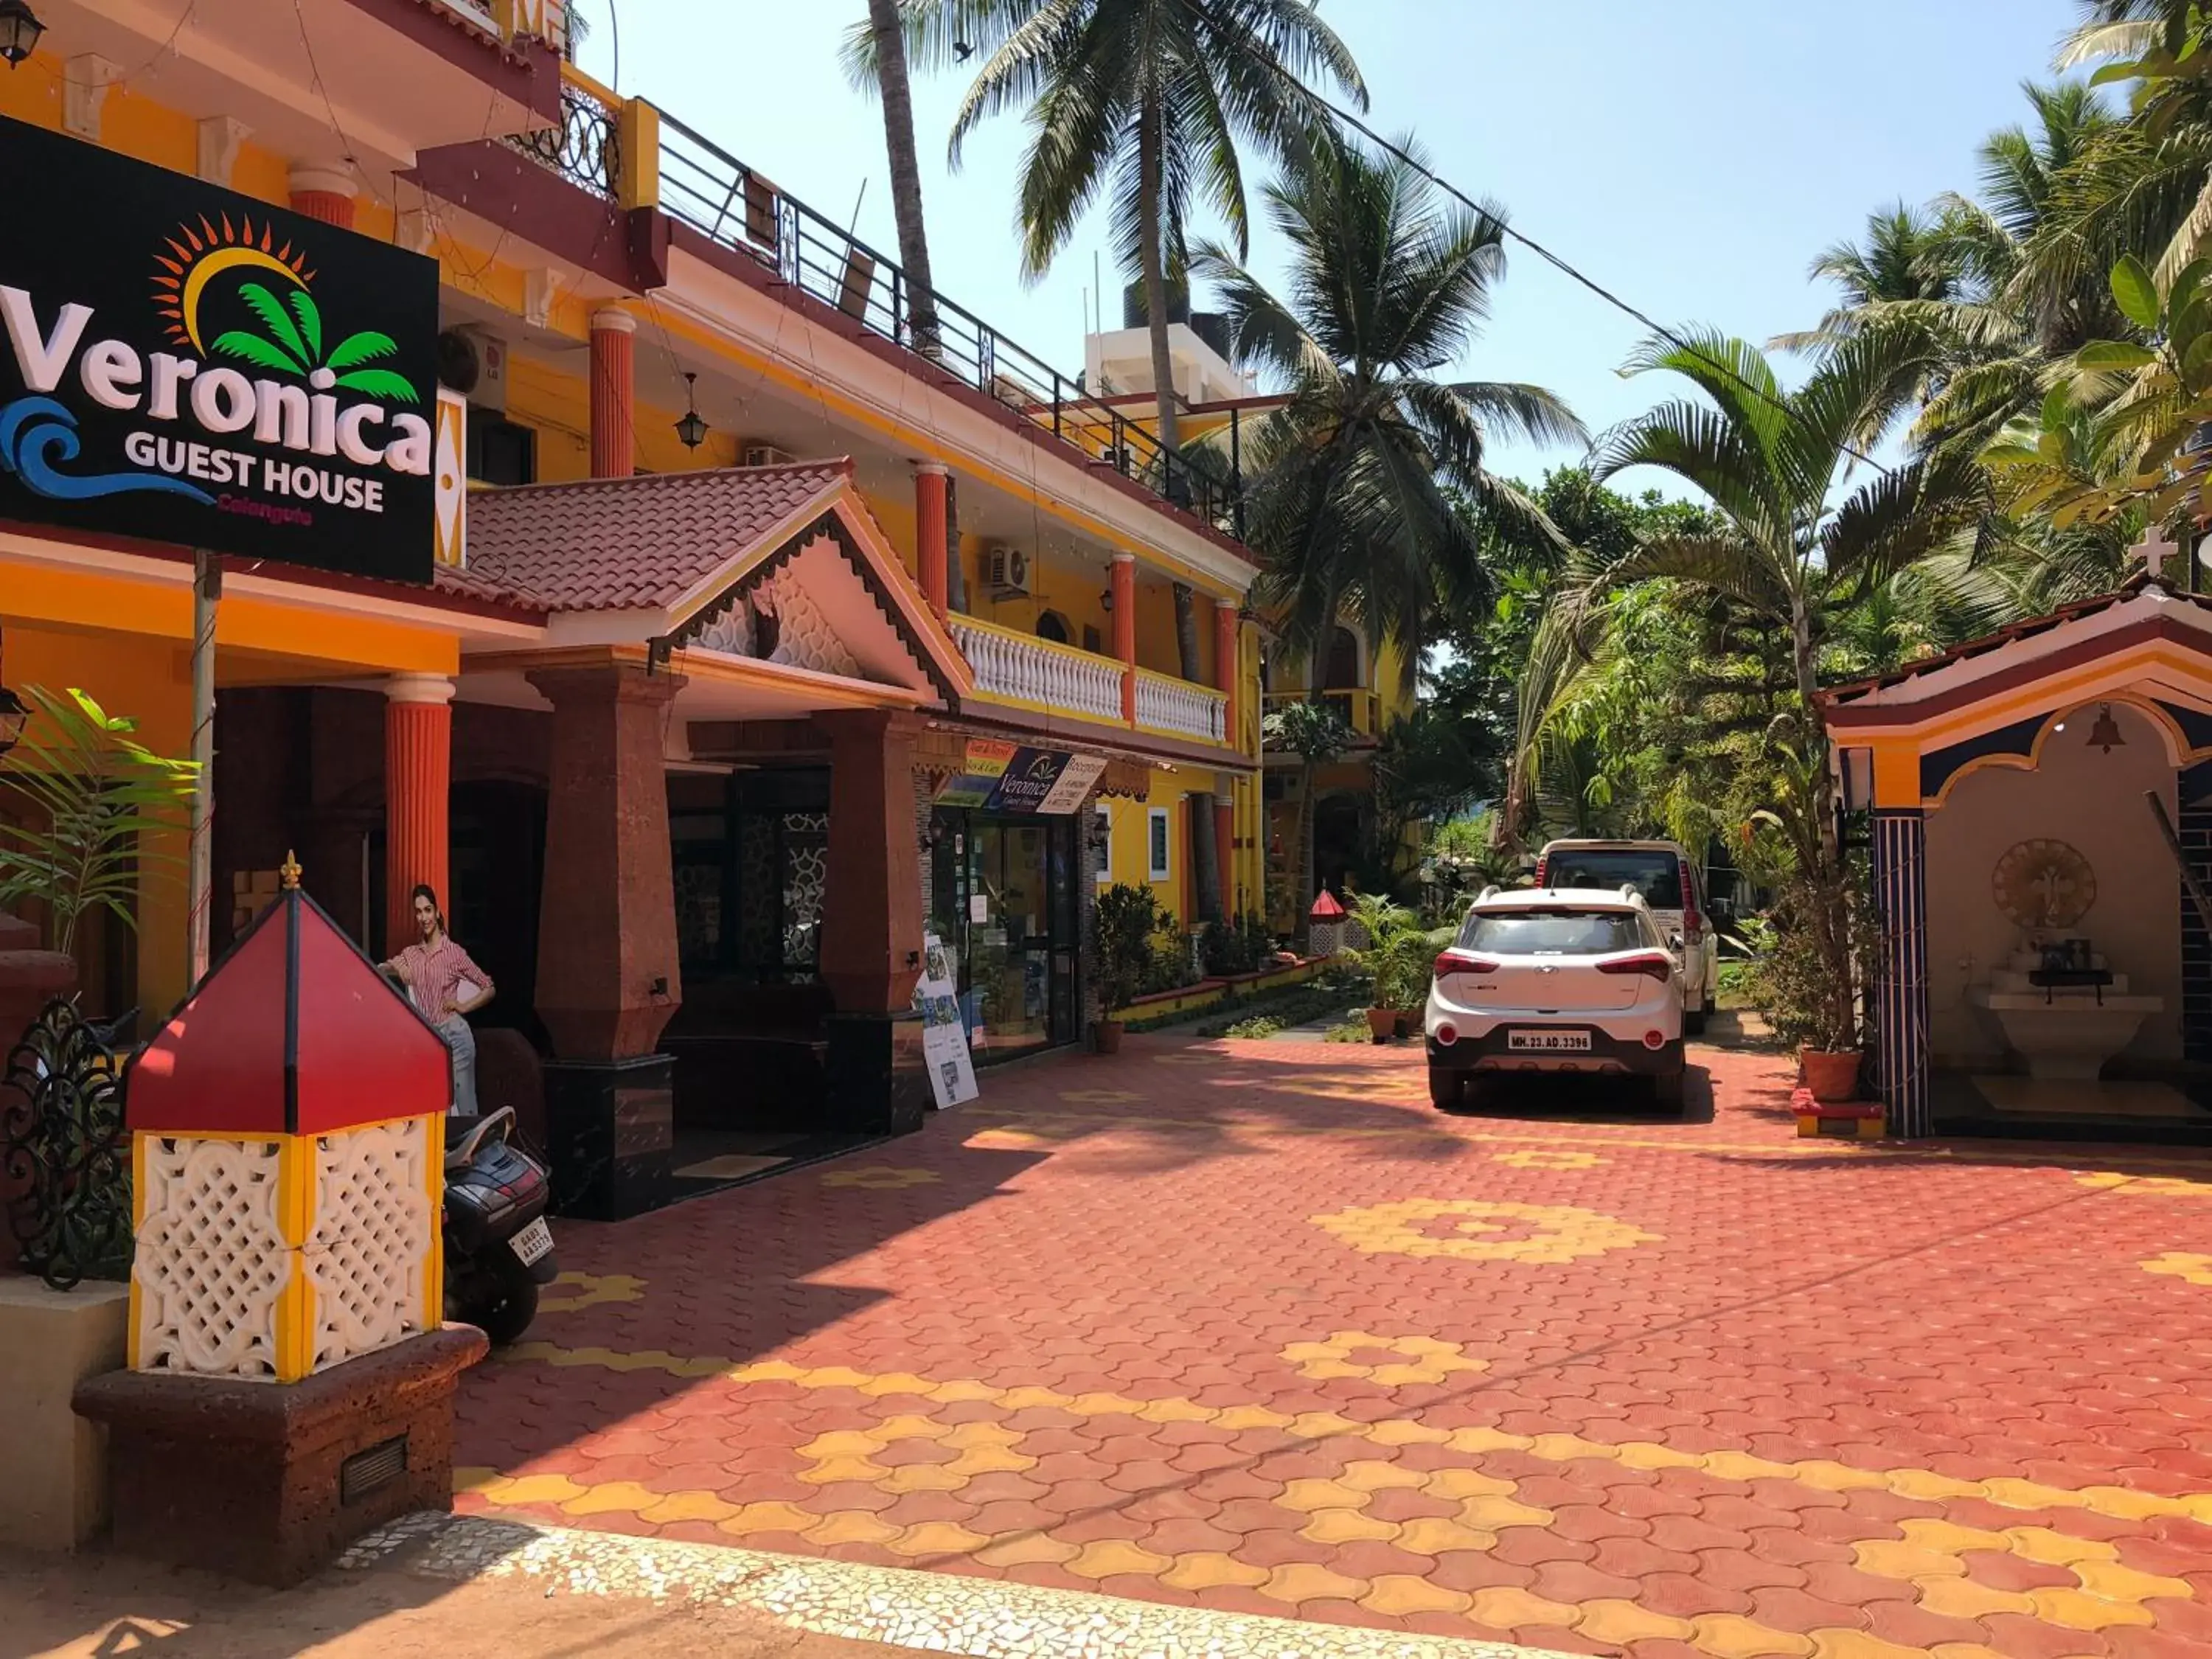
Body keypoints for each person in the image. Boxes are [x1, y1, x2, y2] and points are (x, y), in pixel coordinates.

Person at [382, 883, 495, 1116]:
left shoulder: (453, 953)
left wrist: (463, 1006)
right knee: (434, 1106)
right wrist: (397, 966)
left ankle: (471, 1152)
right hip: (429, 1039)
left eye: (428, 910)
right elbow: (383, 968)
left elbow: (488, 987)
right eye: (419, 912)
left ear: (437, 912)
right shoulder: (412, 954)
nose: (424, 917)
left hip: (455, 1034)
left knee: (465, 1108)